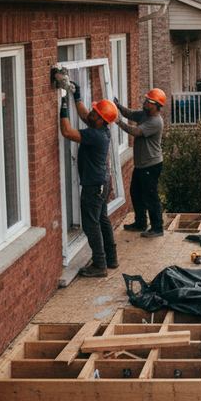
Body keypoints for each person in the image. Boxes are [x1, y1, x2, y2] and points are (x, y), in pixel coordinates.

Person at [58, 84, 118, 278]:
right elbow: (85, 116)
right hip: (102, 183)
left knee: (91, 225)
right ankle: (111, 258)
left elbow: (67, 132)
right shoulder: (101, 128)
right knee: (102, 219)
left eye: (95, 112)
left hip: (94, 187)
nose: (91, 113)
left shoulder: (96, 135)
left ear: (101, 119)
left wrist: (63, 105)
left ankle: (100, 264)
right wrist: (76, 97)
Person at [115, 88, 166, 238]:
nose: (145, 103)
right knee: (135, 193)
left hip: (151, 165)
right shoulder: (144, 114)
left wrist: (118, 122)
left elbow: (136, 132)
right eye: (146, 100)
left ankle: (157, 228)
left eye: (149, 101)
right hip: (141, 165)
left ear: (156, 106)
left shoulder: (155, 122)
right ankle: (140, 223)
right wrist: (118, 106)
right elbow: (130, 114)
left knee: (151, 196)